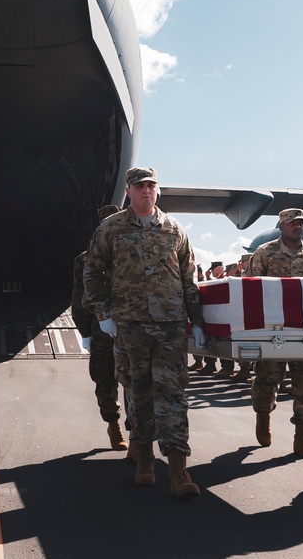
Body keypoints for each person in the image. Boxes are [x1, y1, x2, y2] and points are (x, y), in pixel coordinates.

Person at [83, 167, 205, 498]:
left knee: (174, 396)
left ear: (157, 191)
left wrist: (198, 321)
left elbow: (188, 276)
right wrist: (103, 315)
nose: (146, 190)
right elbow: (92, 273)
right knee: (139, 393)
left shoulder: (174, 229)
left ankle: (179, 470)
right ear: (129, 191)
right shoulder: (111, 228)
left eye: (151, 185)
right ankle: (145, 461)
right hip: (131, 326)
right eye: (140, 186)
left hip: (170, 326)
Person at [245, 208, 303, 458]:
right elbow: (250, 291)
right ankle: (263, 417)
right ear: (281, 226)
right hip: (271, 329)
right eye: (291, 223)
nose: (297, 227)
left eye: (301, 223)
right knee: (267, 378)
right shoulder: (264, 253)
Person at [71, 204, 128, 451]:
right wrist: (85, 332)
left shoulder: (131, 254)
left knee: (136, 380)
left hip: (130, 324)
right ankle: (114, 424)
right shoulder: (85, 259)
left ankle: (137, 433)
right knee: (105, 379)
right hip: (101, 328)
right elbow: (78, 297)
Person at [197, 261, 225, 375]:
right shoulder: (212, 280)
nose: (210, 272)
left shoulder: (225, 280)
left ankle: (226, 367)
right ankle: (210, 364)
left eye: (212, 270)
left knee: (221, 342)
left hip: (220, 318)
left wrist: (208, 278)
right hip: (213, 318)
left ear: (218, 269)